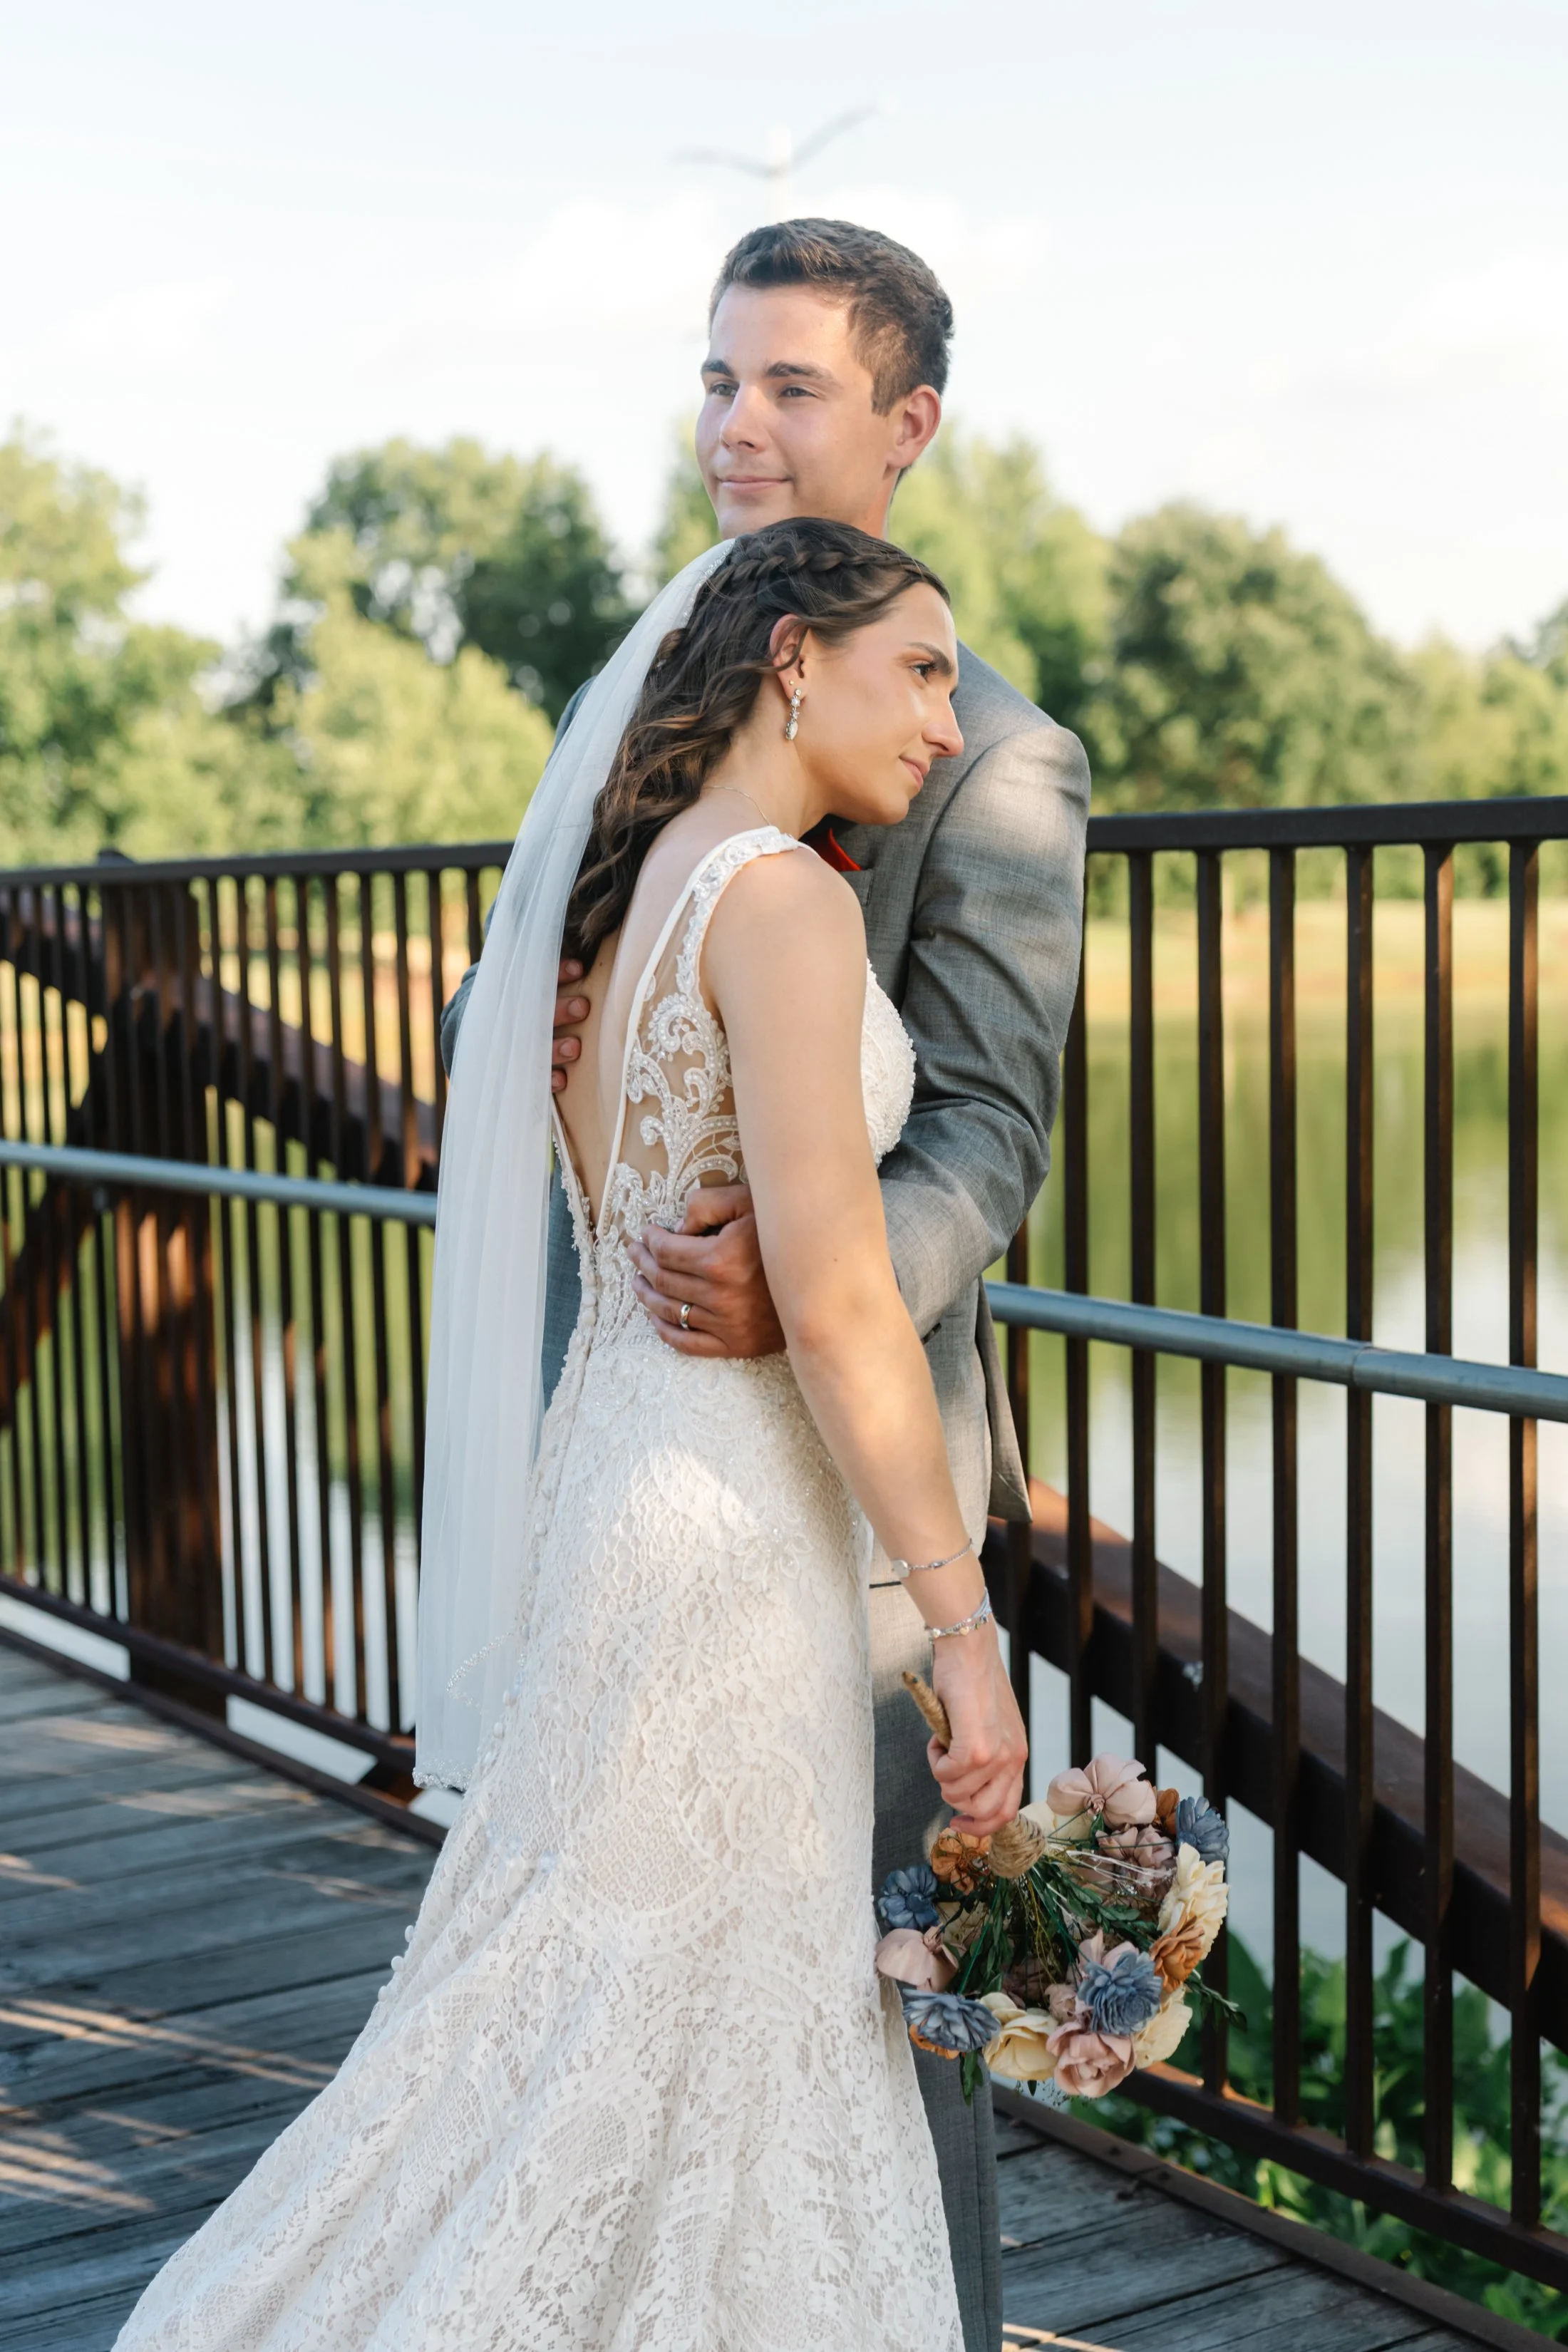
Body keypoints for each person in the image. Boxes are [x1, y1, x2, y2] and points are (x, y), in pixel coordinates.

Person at [115, 517, 1018, 2350]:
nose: (942, 722)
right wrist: (961, 1624)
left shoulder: (621, 900)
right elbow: (841, 1306)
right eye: (915, 667)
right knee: (682, 1997)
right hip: (723, 1527)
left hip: (621, 1469)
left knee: (584, 1988)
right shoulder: (780, 898)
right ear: (788, 657)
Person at [441, 218, 1090, 2352]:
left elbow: (984, 1128)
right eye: (717, 377)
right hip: (671, 1464)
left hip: (837, 1467)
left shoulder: (989, 751)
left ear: (906, 423)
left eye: (793, 386)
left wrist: (803, 1281)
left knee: (886, 2002)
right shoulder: (626, 706)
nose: (736, 424)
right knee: (646, 1994)